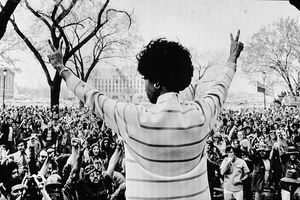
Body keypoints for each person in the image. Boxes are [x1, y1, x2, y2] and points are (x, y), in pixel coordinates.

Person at [48, 30, 244, 199]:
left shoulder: (134, 118)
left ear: (157, 83)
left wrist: (61, 68)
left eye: (146, 79)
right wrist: (231, 59)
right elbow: (220, 88)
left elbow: (91, 96)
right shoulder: (201, 115)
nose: (145, 85)